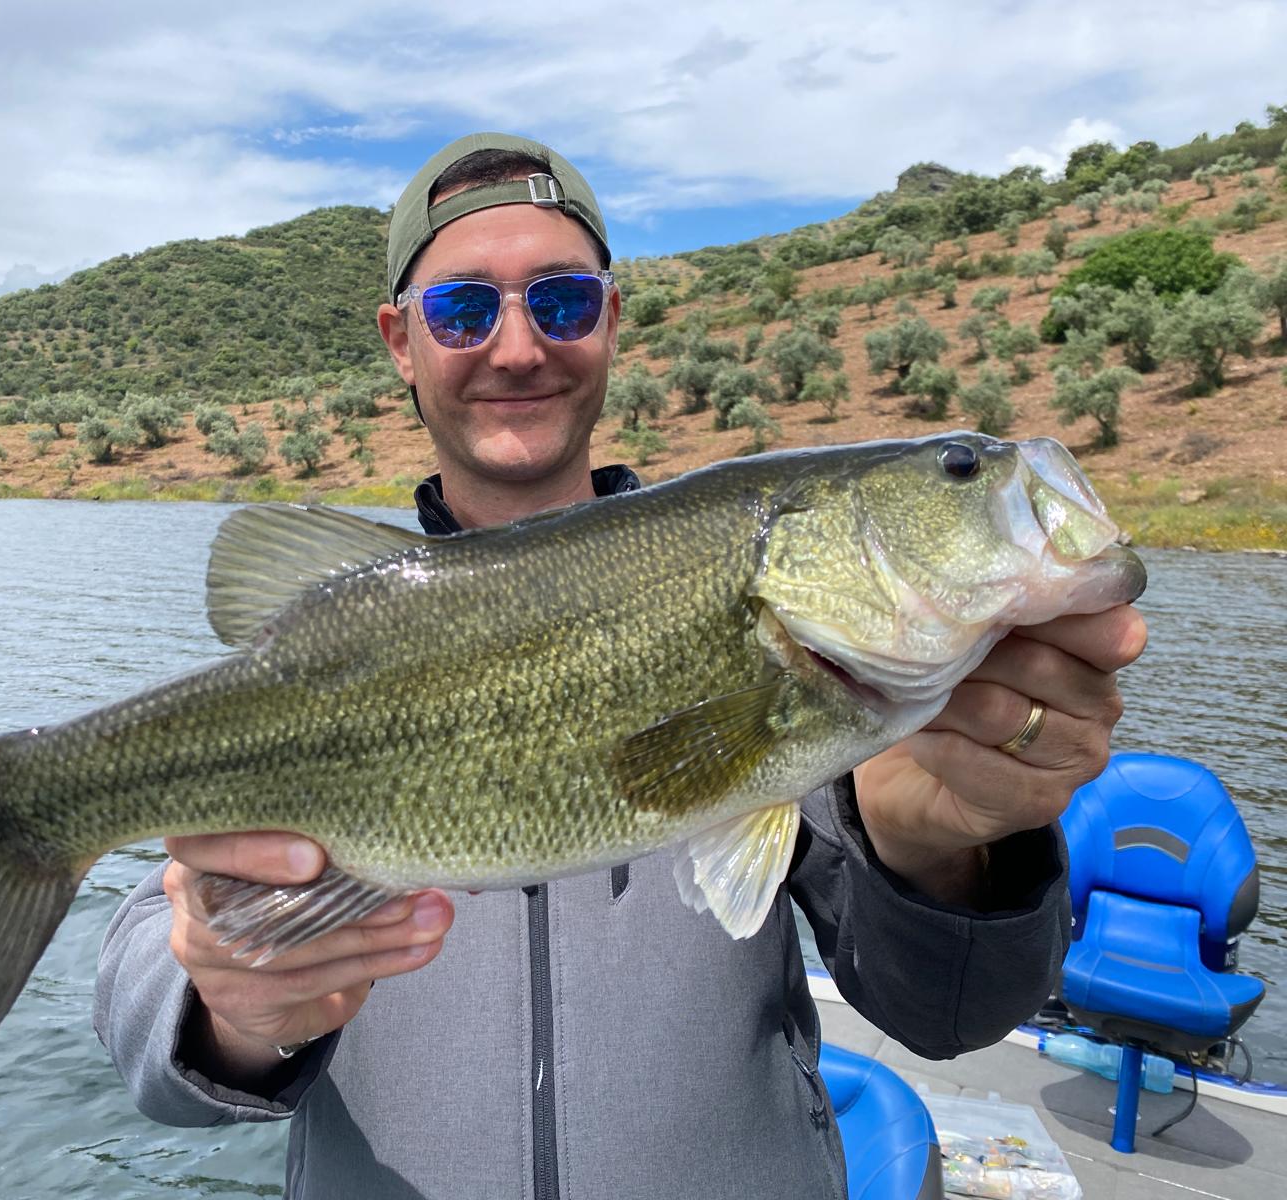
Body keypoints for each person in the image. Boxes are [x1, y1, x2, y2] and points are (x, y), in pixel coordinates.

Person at [95, 132, 1147, 1199]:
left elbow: (955, 1018)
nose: (516, 347)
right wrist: (228, 1009)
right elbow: (150, 1021)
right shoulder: (340, 645)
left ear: (610, 320)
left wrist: (950, 858)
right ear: (400, 342)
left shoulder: (834, 695)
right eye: (463, 310)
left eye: (559, 302)